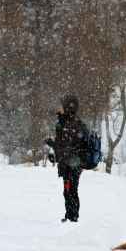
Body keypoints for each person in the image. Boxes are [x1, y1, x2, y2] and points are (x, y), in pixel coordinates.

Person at [45, 93, 88, 222]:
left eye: (62, 106)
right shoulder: (72, 123)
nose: (59, 108)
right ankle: (71, 216)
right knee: (69, 190)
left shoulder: (67, 124)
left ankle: (72, 217)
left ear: (68, 107)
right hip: (72, 163)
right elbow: (65, 145)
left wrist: (52, 144)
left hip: (72, 163)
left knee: (70, 190)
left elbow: (65, 145)